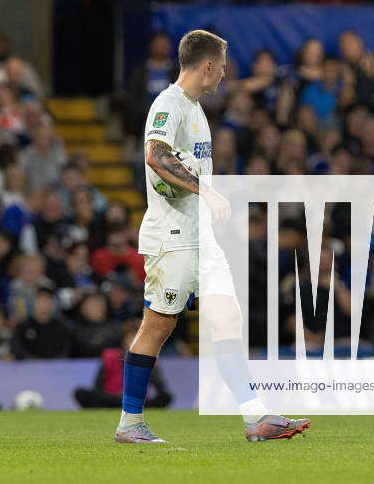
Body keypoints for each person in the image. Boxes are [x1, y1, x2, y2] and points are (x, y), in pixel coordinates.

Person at [116, 29, 309, 444]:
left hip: (201, 237)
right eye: (221, 66)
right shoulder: (169, 104)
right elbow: (156, 155)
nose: (223, 74)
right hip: (173, 236)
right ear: (206, 65)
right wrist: (205, 189)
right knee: (157, 326)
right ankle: (130, 423)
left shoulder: (197, 110)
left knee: (227, 318)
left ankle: (255, 416)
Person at [75, 322, 171, 409]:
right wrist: (117, 396)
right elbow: (97, 388)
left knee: (165, 397)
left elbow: (161, 390)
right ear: (123, 341)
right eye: (131, 338)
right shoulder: (109, 357)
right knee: (81, 393)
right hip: (111, 399)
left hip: (135, 400)